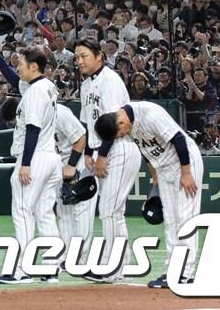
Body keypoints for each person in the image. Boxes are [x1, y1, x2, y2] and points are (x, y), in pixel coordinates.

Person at [94, 102, 203, 289]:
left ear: (121, 122)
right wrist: (154, 175)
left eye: (119, 134)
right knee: (171, 220)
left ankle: (186, 274)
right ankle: (172, 271)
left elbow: (178, 139)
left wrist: (186, 173)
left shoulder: (150, 114)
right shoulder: (128, 124)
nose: (121, 137)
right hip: (164, 168)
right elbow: (147, 152)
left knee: (185, 219)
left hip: (186, 164)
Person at [0, 44, 61, 284]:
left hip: (35, 156)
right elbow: (13, 78)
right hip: (51, 156)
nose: (17, 68)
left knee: (22, 211)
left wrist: (26, 164)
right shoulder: (45, 86)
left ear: (33, 66)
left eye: (20, 64)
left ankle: (21, 269)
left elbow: (32, 129)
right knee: (44, 214)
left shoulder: (34, 93)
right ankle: (52, 267)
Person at [75, 37, 141, 280]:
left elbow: (115, 122)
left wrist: (101, 155)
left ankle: (112, 266)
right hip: (102, 149)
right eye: (77, 57)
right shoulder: (85, 85)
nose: (79, 61)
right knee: (113, 211)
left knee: (109, 211)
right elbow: (89, 123)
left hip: (119, 146)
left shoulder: (110, 81)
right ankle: (121, 262)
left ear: (99, 56)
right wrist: (90, 153)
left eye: (84, 56)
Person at [51, 102, 92, 267]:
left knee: (81, 213)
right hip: (59, 166)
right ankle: (65, 257)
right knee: (63, 212)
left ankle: (80, 259)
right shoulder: (37, 115)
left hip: (78, 163)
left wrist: (72, 165)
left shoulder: (60, 112)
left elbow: (81, 137)